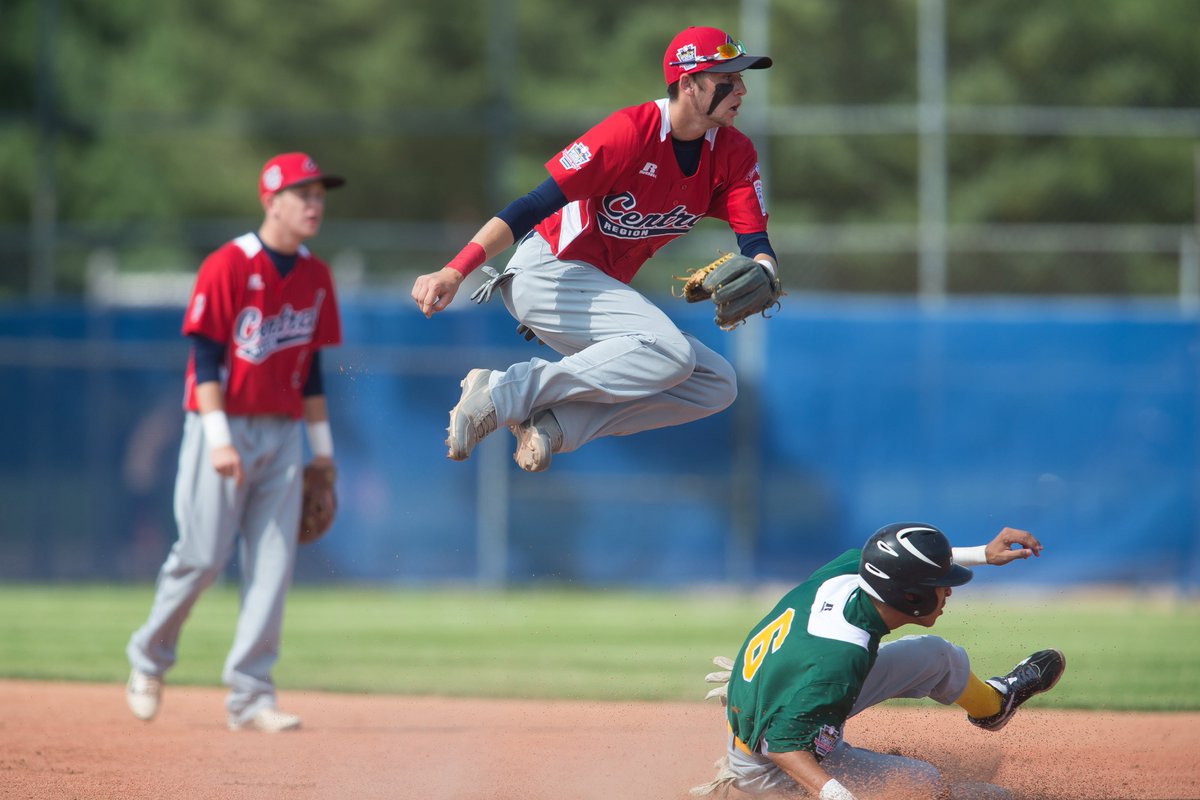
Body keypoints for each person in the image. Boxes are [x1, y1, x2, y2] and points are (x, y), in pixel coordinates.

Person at [410, 26, 777, 472]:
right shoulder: (630, 133)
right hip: (549, 271)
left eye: (740, 78)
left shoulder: (734, 153)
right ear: (688, 83)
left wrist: (765, 270)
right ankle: (502, 390)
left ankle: (555, 425)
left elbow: (754, 238)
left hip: (592, 292)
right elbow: (532, 205)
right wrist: (455, 270)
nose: (741, 89)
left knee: (715, 383)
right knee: (672, 352)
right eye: (727, 78)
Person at [125, 152, 345, 732]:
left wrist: (323, 451)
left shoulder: (317, 276)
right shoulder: (227, 264)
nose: (315, 204)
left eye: (320, 195)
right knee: (201, 557)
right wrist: (220, 439)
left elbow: (311, 372)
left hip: (284, 433)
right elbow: (204, 358)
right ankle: (148, 659)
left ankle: (251, 696)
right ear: (271, 201)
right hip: (221, 426)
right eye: (304, 194)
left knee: (273, 564)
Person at [691, 523, 1066, 800]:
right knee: (920, 783)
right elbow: (782, 747)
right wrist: (840, 795)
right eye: (940, 584)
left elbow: (897, 561)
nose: (949, 591)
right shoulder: (840, 662)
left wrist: (982, 553)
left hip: (792, 688)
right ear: (911, 596)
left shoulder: (849, 574)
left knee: (935, 657)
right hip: (769, 760)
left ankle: (995, 704)